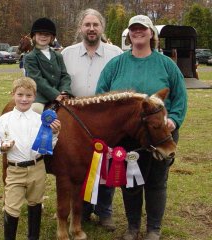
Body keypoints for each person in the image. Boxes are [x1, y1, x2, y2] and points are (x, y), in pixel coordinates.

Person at [96, 15, 187, 240]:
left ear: (151, 34)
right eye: (134, 29)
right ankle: (133, 227)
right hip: (127, 137)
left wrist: (173, 120)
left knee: (156, 181)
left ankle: (154, 229)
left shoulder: (166, 64)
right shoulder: (116, 64)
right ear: (129, 34)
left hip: (159, 133)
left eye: (142, 29)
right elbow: (101, 95)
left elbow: (180, 98)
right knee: (131, 182)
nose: (138, 33)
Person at [61, 8, 123, 231]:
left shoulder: (115, 54)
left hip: (106, 119)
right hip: (76, 121)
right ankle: (83, 209)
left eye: (95, 25)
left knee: (107, 163)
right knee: (80, 167)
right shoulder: (66, 54)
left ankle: (104, 211)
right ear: (80, 28)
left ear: (101, 28)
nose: (91, 29)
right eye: (87, 24)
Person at [0, 77, 61, 240]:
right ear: (13, 94)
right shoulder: (3, 121)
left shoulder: (40, 121)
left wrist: (55, 133)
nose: (24, 99)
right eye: (20, 94)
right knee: (12, 207)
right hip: (15, 170)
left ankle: (33, 237)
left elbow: (48, 145)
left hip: (37, 169)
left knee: (35, 203)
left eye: (28, 95)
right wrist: (2, 146)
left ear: (34, 97)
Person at [24, 17, 71, 114]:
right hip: (41, 97)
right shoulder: (30, 57)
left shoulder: (58, 55)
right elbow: (37, 79)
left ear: (52, 37)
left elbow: (64, 76)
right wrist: (55, 94)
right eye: (40, 34)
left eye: (47, 34)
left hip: (61, 94)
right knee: (35, 110)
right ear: (34, 36)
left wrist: (64, 91)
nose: (43, 37)